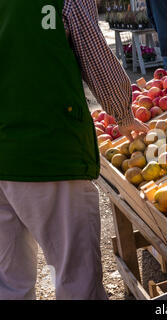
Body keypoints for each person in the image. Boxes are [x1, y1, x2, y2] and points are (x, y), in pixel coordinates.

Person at [0, 0, 148, 300]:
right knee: (76, 278)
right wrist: (123, 114)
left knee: (9, 282)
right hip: (50, 149)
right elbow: (99, 64)